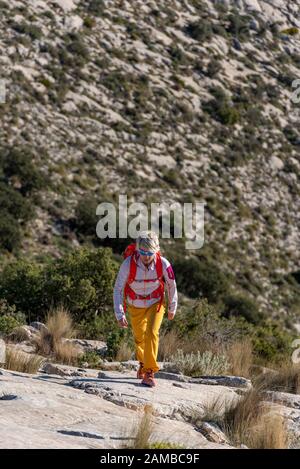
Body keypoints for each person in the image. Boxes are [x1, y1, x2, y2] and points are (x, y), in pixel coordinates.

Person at [113, 230, 178, 387]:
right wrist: (119, 313)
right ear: (137, 249)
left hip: (156, 302)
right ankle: (143, 362)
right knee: (139, 338)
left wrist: (172, 307)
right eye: (142, 252)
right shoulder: (127, 264)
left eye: (149, 252)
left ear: (155, 250)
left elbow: (171, 285)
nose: (145, 256)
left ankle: (149, 371)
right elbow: (118, 289)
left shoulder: (163, 264)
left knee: (151, 333)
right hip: (134, 304)